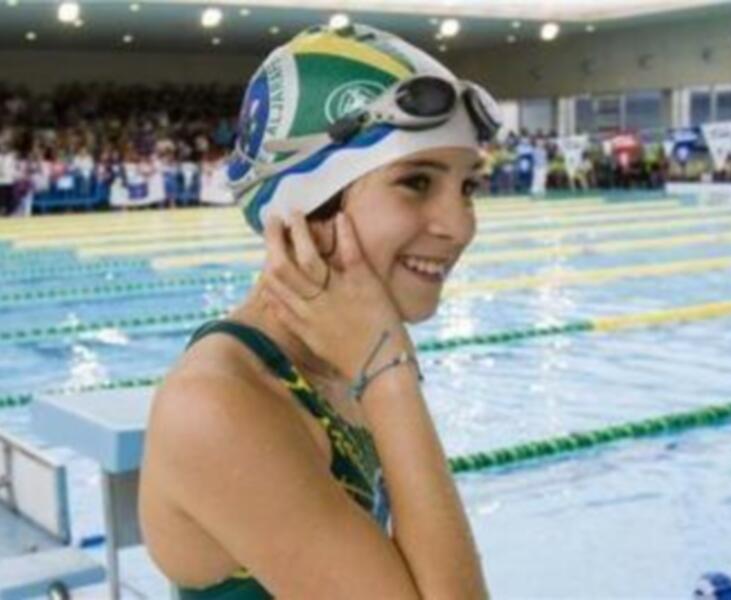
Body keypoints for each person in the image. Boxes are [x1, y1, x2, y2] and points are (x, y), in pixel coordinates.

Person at [139, 22, 499, 599]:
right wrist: (390, 375)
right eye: (415, 182)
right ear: (303, 206)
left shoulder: (337, 351)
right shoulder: (216, 404)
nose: (459, 227)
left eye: (468, 188)